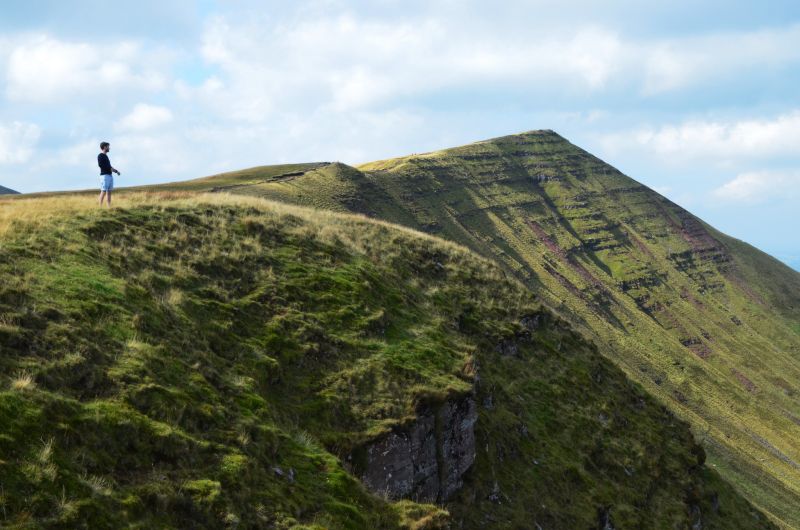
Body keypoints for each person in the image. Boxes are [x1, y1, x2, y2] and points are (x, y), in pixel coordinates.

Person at [98, 141, 121, 206]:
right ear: (104, 147)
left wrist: (116, 171)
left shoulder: (106, 156)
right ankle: (100, 207)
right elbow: (101, 165)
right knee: (104, 191)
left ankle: (109, 207)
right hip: (104, 176)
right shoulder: (100, 155)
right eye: (108, 146)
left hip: (109, 175)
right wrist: (109, 169)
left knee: (109, 191)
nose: (109, 148)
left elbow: (109, 166)